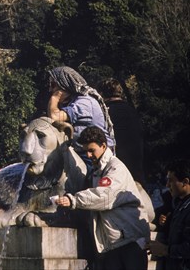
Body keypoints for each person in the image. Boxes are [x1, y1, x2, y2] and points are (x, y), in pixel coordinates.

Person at [55, 126, 150, 270]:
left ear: (103, 146)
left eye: (92, 150)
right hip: (114, 244)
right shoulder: (97, 172)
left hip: (130, 242)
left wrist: (73, 200)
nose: (88, 155)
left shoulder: (116, 168)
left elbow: (104, 196)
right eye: (86, 151)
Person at [47, 66, 115, 150]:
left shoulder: (84, 103)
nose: (50, 89)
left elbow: (54, 117)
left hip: (95, 157)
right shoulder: (73, 101)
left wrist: (55, 98)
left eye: (53, 85)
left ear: (64, 85)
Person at [98, 78, 146, 185]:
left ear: (101, 94)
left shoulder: (105, 112)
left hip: (117, 167)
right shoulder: (131, 110)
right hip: (137, 165)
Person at [146, 159, 190, 269]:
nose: (167, 185)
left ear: (185, 182)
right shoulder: (180, 204)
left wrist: (165, 250)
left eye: (171, 181)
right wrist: (167, 224)